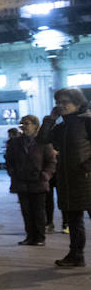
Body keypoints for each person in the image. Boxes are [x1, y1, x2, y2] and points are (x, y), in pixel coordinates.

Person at [36, 88, 91, 268]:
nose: (61, 105)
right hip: (68, 181)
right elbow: (42, 139)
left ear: (78, 103)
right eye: (58, 102)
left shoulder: (87, 122)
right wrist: (50, 119)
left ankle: (76, 254)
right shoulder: (62, 127)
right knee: (74, 221)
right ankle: (76, 255)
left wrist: (86, 167)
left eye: (65, 102)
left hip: (87, 179)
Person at [6, 114, 54, 247]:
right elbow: (9, 160)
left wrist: (46, 174)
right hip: (21, 182)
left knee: (38, 211)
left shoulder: (43, 142)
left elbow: (51, 161)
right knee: (26, 211)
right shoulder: (15, 143)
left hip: (38, 182)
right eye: (22, 124)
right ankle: (30, 236)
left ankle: (40, 237)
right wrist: (12, 173)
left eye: (27, 124)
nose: (24, 127)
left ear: (35, 125)